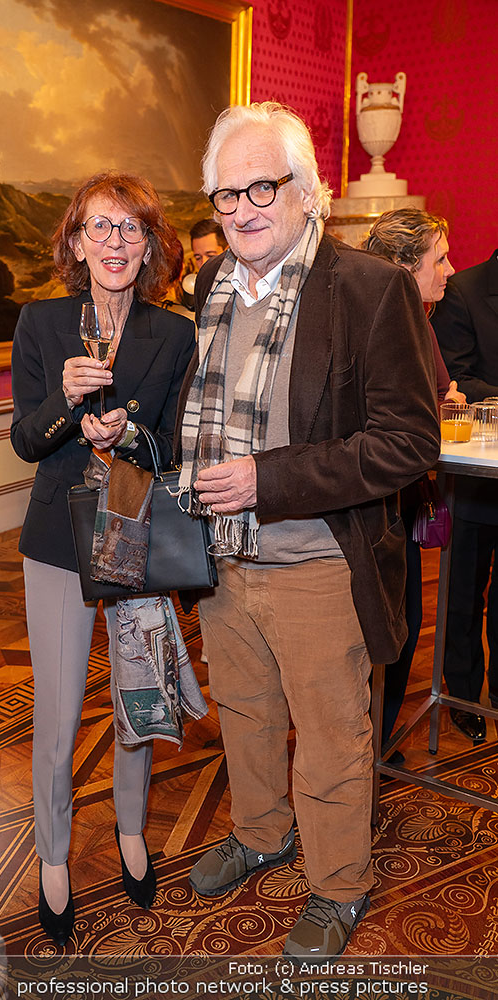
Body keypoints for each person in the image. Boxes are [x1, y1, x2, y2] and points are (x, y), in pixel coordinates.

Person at [174, 102, 440, 961]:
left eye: (261, 187)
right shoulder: (210, 286)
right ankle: (260, 833)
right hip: (223, 557)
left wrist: (268, 478)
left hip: (320, 560)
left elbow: (407, 443)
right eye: (226, 194)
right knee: (244, 714)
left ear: (305, 190)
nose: (242, 208)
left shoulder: (367, 287)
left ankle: (338, 884)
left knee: (330, 736)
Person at [10, 172, 196, 946]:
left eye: (130, 228)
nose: (115, 242)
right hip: (58, 539)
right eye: (99, 226)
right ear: (76, 242)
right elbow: (25, 440)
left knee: (136, 699)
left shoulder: (173, 333)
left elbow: (173, 444)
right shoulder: (41, 323)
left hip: (132, 533)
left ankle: (129, 829)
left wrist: (129, 436)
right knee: (57, 715)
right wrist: (64, 404)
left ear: (149, 246)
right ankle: (54, 856)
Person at [361, 208, 465, 752]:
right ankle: (365, 751)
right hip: (373, 507)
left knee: (403, 625)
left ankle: (376, 743)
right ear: (404, 265)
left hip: (401, 501)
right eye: (439, 259)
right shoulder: (377, 321)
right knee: (383, 631)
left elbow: (442, 395)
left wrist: (449, 401)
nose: (450, 270)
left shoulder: (418, 320)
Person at [432, 247, 498, 743]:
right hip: (474, 476)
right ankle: (463, 695)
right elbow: (456, 378)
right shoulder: (464, 290)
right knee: (463, 594)